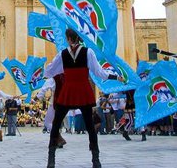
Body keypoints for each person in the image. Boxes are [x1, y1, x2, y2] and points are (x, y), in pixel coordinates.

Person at [44, 28, 121, 168]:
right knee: (90, 126)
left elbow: (49, 71)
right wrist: (115, 77)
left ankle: (51, 160)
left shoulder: (62, 54)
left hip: (68, 90)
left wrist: (48, 71)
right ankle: (95, 160)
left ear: (68, 39)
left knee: (56, 124)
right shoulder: (88, 52)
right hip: (84, 90)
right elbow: (99, 72)